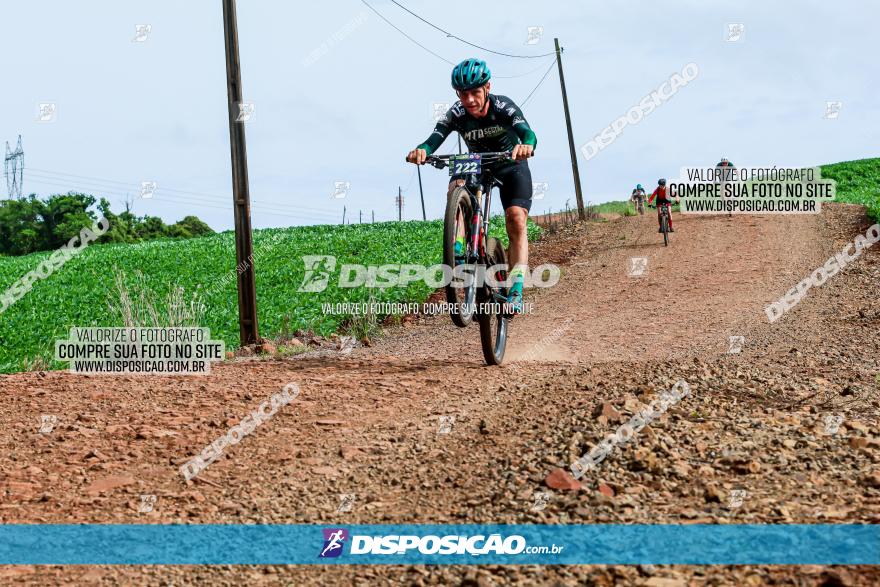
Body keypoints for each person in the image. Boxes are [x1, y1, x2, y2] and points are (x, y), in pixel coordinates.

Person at [406, 58, 537, 313]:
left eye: (475, 93)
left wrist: (526, 146)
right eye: (463, 94)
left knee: (516, 219)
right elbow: (435, 138)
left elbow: (528, 132)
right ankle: (457, 246)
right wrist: (422, 150)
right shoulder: (456, 112)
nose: (470, 101)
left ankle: (517, 290)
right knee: (456, 185)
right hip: (476, 163)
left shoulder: (503, 106)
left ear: (487, 87)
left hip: (510, 163)